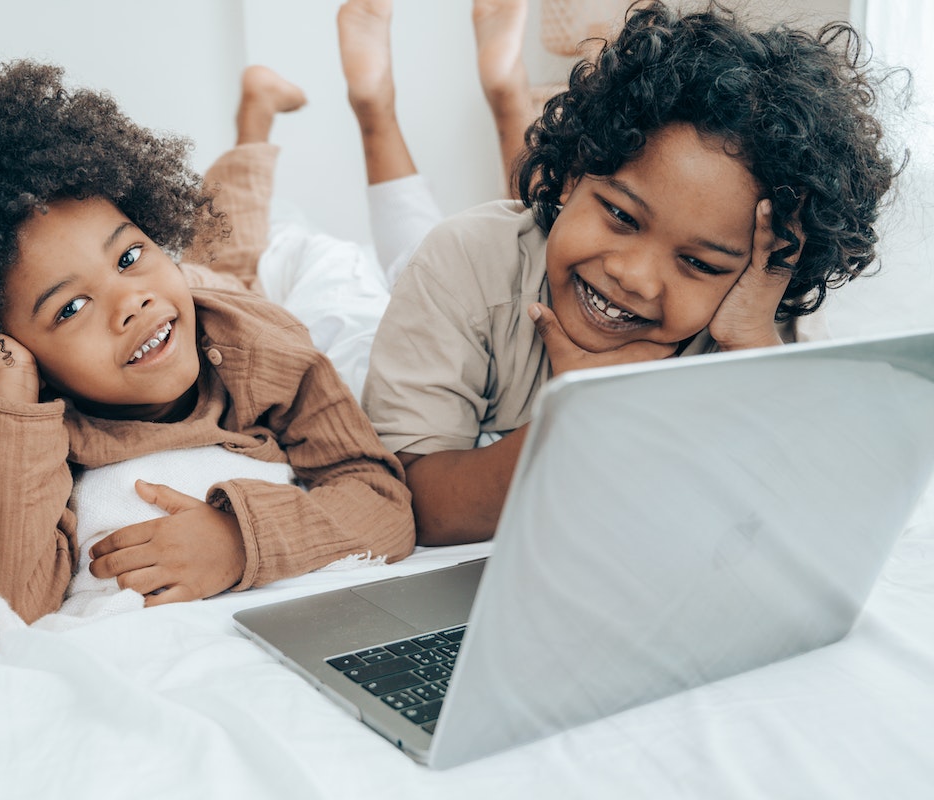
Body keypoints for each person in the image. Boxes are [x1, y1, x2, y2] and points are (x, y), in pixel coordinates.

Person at [0, 58, 416, 623]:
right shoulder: (13, 417)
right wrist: (9, 385)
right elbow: (2, 600)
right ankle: (249, 123)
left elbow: (383, 501)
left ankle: (253, 123)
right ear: (17, 345)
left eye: (130, 254)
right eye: (72, 307)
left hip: (207, 302)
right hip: (168, 314)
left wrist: (241, 541)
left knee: (233, 254)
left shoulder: (263, 346)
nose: (127, 300)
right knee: (227, 253)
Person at [358, 0, 900, 545]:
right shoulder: (466, 261)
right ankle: (385, 109)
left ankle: (508, 101)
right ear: (571, 175)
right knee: (372, 269)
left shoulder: (753, 319)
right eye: (621, 215)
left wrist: (750, 342)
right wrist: (582, 413)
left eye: (698, 263)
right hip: (409, 316)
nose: (636, 277)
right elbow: (418, 506)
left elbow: (805, 506)